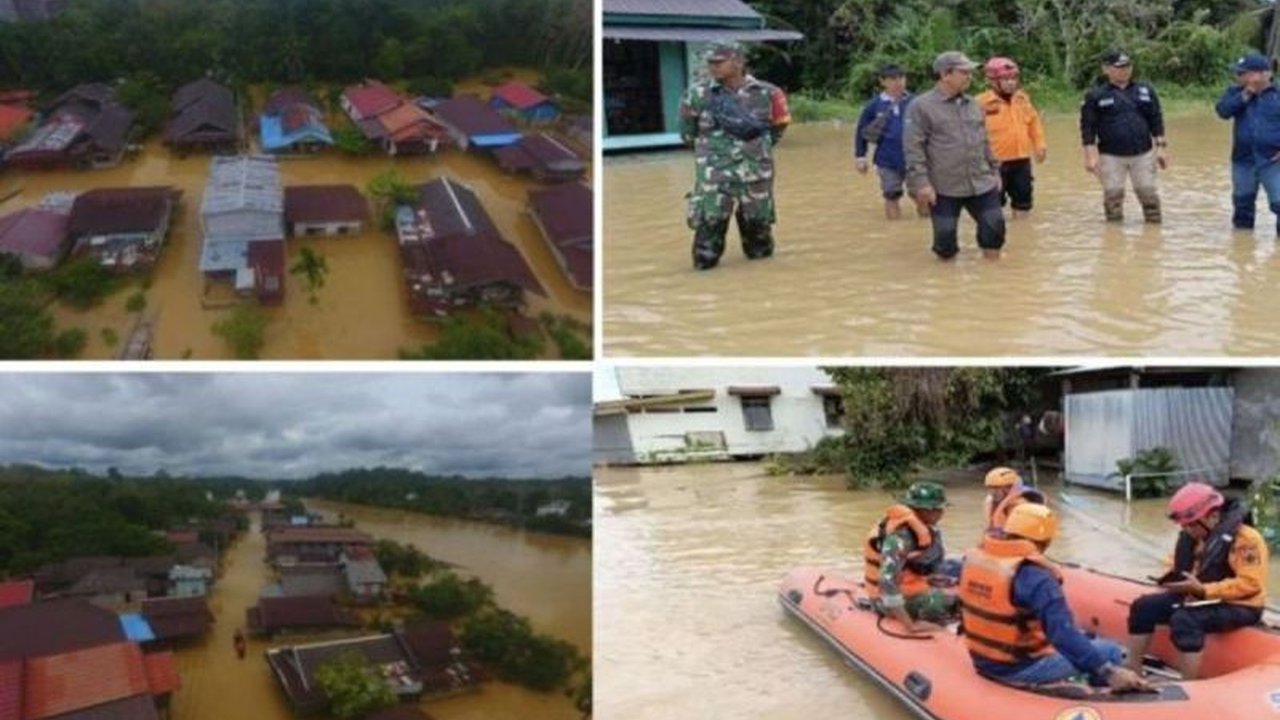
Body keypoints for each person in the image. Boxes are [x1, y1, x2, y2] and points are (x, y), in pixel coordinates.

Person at [959, 504, 1150, 691]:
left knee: (1082, 638)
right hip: (1018, 667)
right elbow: (1063, 635)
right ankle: (1104, 697)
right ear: (1046, 541)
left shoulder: (976, 559)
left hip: (982, 659)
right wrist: (1109, 672)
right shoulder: (1037, 578)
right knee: (1111, 650)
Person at [1123, 483, 1269, 680]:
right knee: (1143, 607)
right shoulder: (1195, 537)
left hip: (1241, 604)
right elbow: (1175, 563)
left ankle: (1189, 684)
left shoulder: (1247, 540)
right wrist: (1169, 578)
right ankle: (1133, 669)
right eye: (1184, 526)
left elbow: (1251, 584)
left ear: (1213, 516)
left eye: (1192, 524)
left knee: (1185, 619)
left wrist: (1203, 590)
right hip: (1200, 595)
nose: (1188, 530)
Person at [679, 42, 791, 270]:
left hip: (755, 171)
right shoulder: (697, 95)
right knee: (708, 237)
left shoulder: (769, 93)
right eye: (711, 63)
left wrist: (758, 149)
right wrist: (713, 155)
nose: (713, 67)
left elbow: (779, 126)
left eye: (719, 62)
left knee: (759, 237)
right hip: (715, 174)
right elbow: (687, 133)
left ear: (738, 62)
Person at [904, 51, 1006, 260]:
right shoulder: (921, 107)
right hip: (943, 185)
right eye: (964, 72)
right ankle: (947, 284)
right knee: (945, 240)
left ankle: (993, 276)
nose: (969, 76)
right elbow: (913, 148)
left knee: (995, 229)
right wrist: (922, 183)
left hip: (981, 181)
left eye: (970, 72)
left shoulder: (974, 105)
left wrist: (995, 170)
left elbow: (984, 140)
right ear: (945, 74)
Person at [1080, 50, 1167, 223]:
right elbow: (1087, 128)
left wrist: (1162, 148)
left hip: (1143, 153)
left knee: (1148, 195)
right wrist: (1090, 156)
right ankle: (1113, 240)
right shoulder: (1095, 95)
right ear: (1106, 69)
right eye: (1119, 67)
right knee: (1113, 197)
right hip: (1110, 155)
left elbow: (1156, 119)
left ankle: (1153, 238)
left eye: (1128, 66)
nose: (1125, 70)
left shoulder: (1146, 90)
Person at [863, 481, 957, 630]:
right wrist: (910, 625)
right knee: (957, 603)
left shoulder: (920, 527)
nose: (942, 513)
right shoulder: (900, 537)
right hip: (885, 600)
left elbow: (913, 564)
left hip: (910, 588)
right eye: (939, 509)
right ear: (925, 510)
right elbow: (887, 582)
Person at [1215, 53, 1280, 233]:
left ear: (1263, 74)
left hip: (1273, 161)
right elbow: (1223, 111)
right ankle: (1242, 251)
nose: (1238, 76)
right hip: (1243, 160)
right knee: (1242, 207)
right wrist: (1247, 93)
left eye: (1243, 73)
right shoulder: (1235, 92)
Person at [976, 57, 1047, 218]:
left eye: (1014, 78)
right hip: (994, 164)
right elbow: (971, 134)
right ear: (993, 81)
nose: (1011, 83)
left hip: (1021, 160)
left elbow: (1033, 123)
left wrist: (1040, 145)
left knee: (1023, 204)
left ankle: (1022, 236)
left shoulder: (1022, 99)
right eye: (1005, 79)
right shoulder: (980, 103)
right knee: (992, 205)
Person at [855, 64, 918, 220]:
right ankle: (894, 229)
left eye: (901, 78)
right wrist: (860, 157)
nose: (898, 82)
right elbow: (861, 131)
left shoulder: (916, 102)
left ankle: (926, 225)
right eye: (893, 79)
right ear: (883, 81)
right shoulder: (873, 105)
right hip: (887, 159)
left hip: (916, 158)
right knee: (891, 195)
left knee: (921, 194)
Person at [982, 466, 1045, 536]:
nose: (992, 492)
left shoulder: (1021, 504)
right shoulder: (989, 501)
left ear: (1008, 487)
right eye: (990, 488)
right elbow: (987, 529)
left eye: (996, 488)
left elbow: (1022, 533)